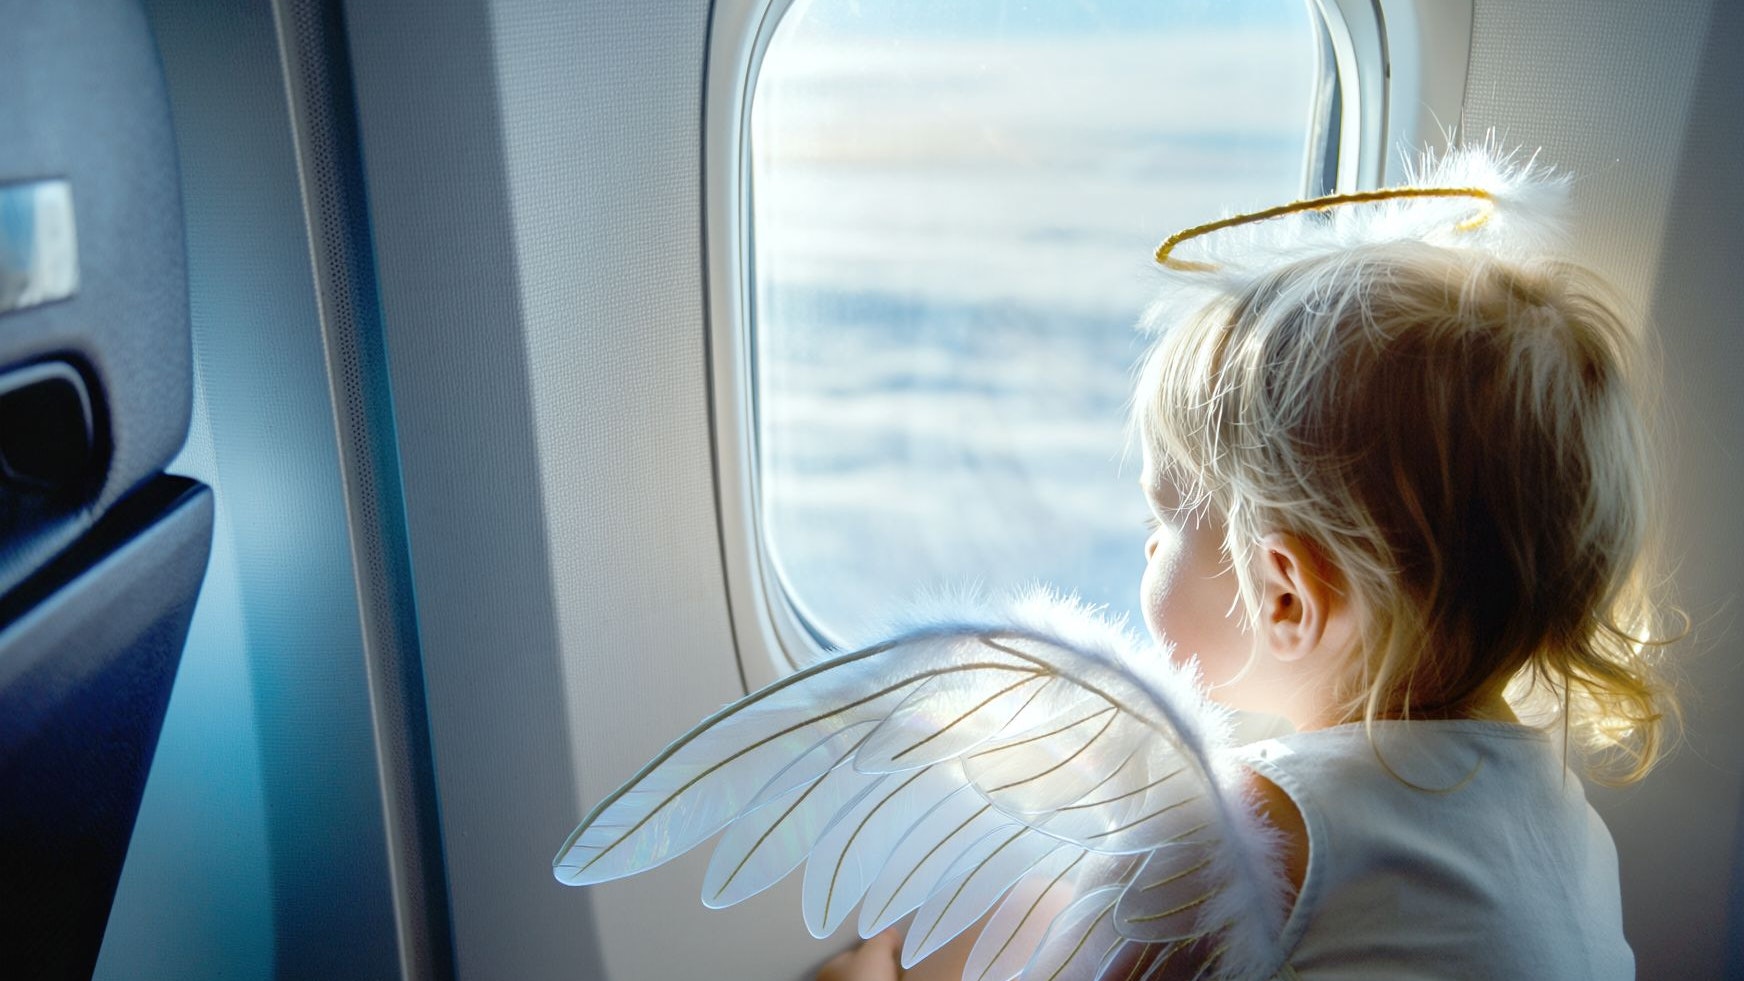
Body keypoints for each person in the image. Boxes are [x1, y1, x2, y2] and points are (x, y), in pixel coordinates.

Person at [817, 147, 1679, 979]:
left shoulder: (1248, 831)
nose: (1150, 542)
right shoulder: (1558, 812)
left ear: (1287, 598)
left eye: (1166, 516)